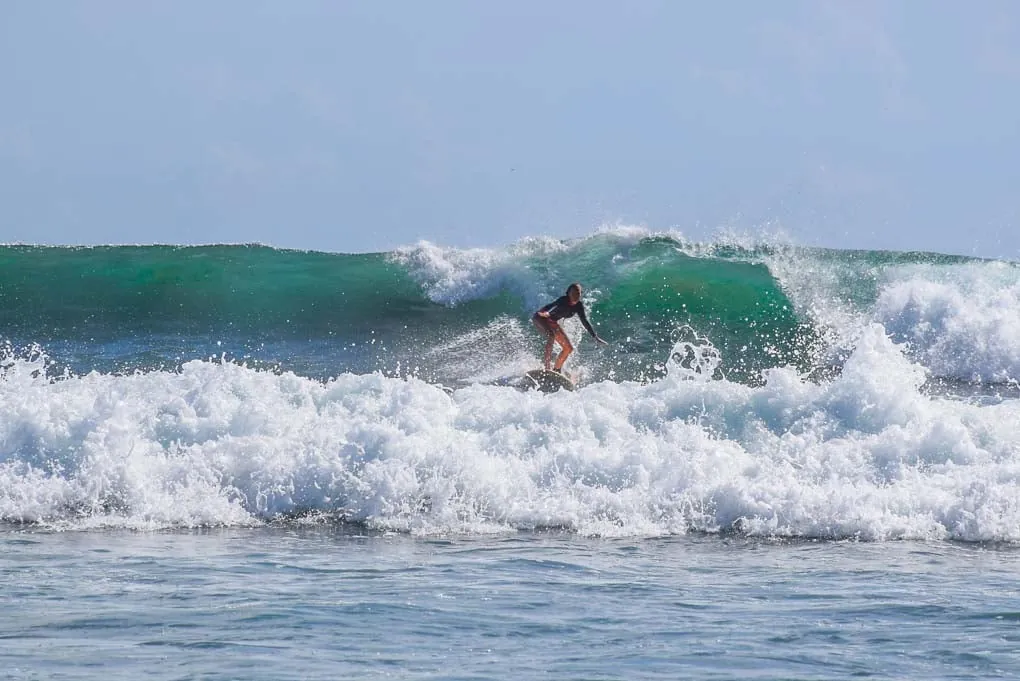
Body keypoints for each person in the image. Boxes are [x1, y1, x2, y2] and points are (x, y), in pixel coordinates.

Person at [532, 282, 607, 372]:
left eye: (578, 293)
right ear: (568, 293)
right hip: (540, 317)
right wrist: (547, 313)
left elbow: (584, 321)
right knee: (551, 335)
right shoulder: (563, 300)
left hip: (552, 322)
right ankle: (546, 367)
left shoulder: (579, 306)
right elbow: (553, 307)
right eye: (574, 292)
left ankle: (556, 369)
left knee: (568, 348)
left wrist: (595, 336)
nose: (576, 295)